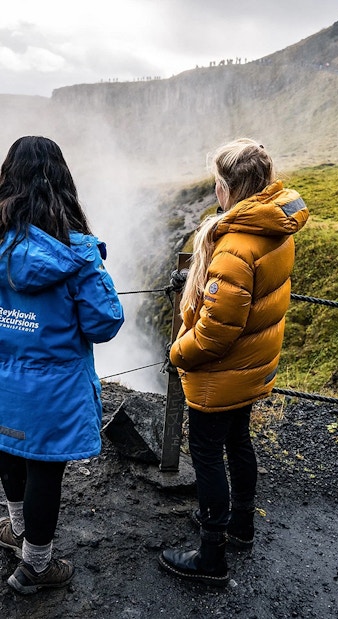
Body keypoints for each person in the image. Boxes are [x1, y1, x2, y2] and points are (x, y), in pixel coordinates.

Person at [158, 138, 309, 587]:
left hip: (221, 376)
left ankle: (211, 555)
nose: (215, 193)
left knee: (205, 451)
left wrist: (176, 353)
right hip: (251, 366)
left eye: (217, 184)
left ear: (229, 187)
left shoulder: (234, 248)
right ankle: (240, 525)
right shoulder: (274, 227)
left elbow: (214, 333)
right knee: (238, 440)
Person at [0, 136, 124, 594]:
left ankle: (15, 528)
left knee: (9, 448)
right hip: (52, 388)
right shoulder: (75, 253)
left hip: (3, 377)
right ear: (62, 183)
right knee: (44, 471)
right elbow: (104, 323)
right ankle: (35, 566)